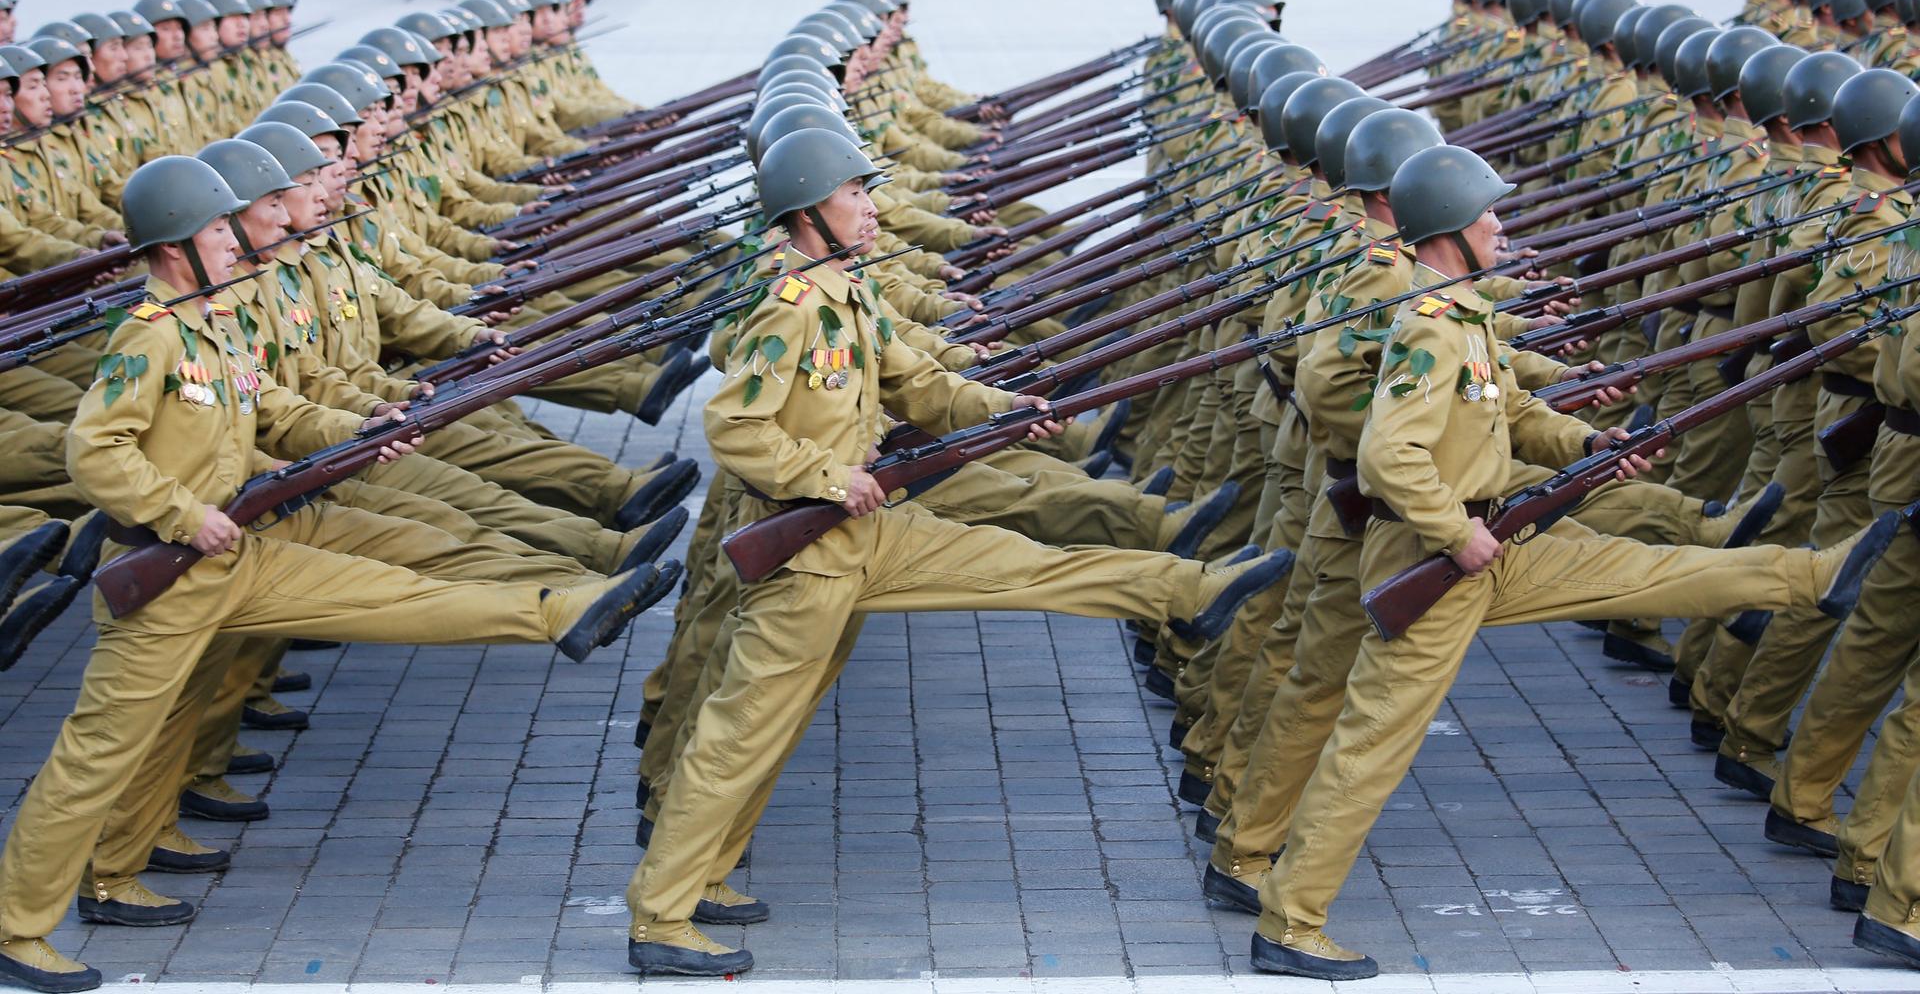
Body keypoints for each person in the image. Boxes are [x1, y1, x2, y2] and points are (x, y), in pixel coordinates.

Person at [623, 127, 1293, 977]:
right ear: (807, 211)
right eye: (853, 195)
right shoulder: (789, 309)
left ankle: (1191, 586)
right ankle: (661, 914)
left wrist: (1009, 410)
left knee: (1018, 559)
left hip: (868, 537)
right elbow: (735, 427)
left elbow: (925, 387)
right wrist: (825, 474)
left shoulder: (846, 292)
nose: (869, 207)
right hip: (809, 557)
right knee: (742, 733)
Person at [0, 156, 671, 994]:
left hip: (238, 554)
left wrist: (354, 428)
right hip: (169, 574)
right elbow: (93, 450)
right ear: (173, 249)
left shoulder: (213, 321)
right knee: (97, 756)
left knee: (392, 594)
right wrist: (181, 513)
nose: (233, 238)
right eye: (215, 229)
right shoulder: (151, 335)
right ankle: (18, 926)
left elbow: (271, 408)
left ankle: (563, 605)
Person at [1245, 144, 1899, 981]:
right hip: (1439, 562)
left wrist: (1589, 443)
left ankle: (1815, 575)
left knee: (1642, 570)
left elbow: (1512, 408)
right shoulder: (1433, 328)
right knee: (1372, 744)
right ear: (1450, 229)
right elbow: (1388, 455)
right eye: (1489, 214)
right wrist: (1453, 532)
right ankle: (1291, 921)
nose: (1501, 224)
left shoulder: (1464, 313)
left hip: (1489, 543)